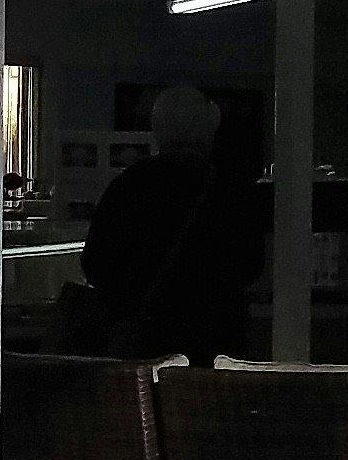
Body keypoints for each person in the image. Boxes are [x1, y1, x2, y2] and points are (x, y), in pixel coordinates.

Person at [80, 86, 263, 361]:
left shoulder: (129, 187)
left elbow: (96, 264)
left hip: (146, 344)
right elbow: (250, 265)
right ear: (209, 128)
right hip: (216, 343)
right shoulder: (230, 190)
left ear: (157, 131)